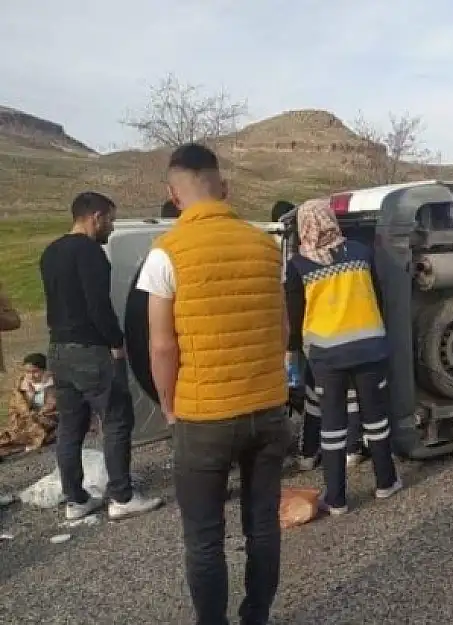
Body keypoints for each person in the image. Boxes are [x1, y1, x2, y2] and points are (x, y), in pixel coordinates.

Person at [137, 143, 291, 625]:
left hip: (203, 417)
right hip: (267, 409)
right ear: (223, 188)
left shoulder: (165, 254)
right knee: (263, 524)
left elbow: (161, 347)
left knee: (204, 536)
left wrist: (167, 404)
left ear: (174, 195)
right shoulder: (265, 247)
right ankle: (257, 617)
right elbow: (284, 329)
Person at [39, 191, 163, 521]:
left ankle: (76, 499)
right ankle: (121, 496)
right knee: (117, 420)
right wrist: (117, 341)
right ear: (95, 217)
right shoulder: (91, 253)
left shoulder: (50, 252)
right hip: (91, 351)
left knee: (70, 427)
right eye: (110, 218)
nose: (111, 226)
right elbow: (98, 305)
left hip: (58, 351)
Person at [285, 198, 401, 514]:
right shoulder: (362, 253)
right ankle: (385, 483)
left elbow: (294, 320)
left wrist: (293, 356)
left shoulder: (299, 265)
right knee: (375, 419)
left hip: (327, 357)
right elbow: (378, 297)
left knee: (332, 426)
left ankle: (336, 499)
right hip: (369, 349)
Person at [271, 199, 367, 472]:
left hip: (320, 343)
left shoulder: (300, 264)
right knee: (350, 396)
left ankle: (309, 452)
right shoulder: (356, 253)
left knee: (315, 397)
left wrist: (291, 349)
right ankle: (353, 448)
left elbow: (295, 311)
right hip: (358, 338)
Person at [0, 353, 58, 455]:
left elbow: (57, 408)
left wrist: (39, 415)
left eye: (35, 372)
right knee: (9, 435)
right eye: (27, 372)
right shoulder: (21, 385)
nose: (31, 375)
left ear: (45, 370)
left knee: (32, 433)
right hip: (24, 421)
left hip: (48, 421)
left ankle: (15, 448)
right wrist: (30, 398)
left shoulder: (55, 385)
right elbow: (14, 408)